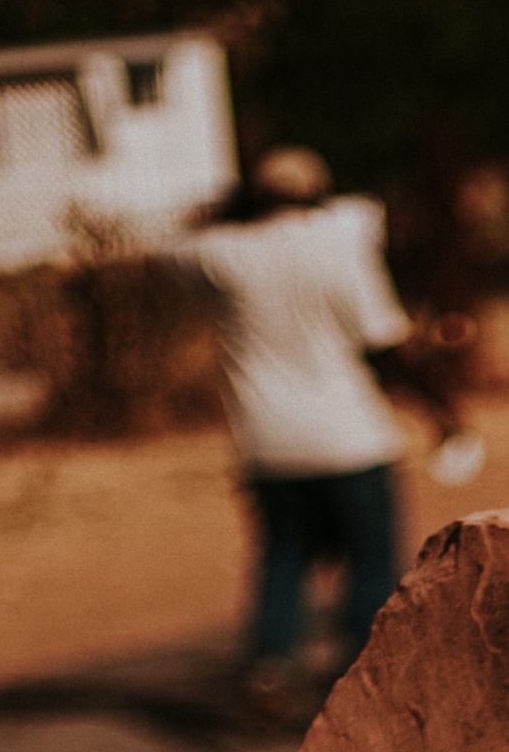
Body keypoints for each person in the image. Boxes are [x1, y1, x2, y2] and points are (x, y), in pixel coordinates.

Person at [183, 148, 461, 710]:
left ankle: (270, 667)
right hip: (351, 436)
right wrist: (441, 412)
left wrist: (228, 210)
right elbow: (385, 341)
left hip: (267, 442)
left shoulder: (222, 256)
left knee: (283, 557)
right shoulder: (340, 248)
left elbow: (180, 242)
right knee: (370, 560)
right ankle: (363, 676)